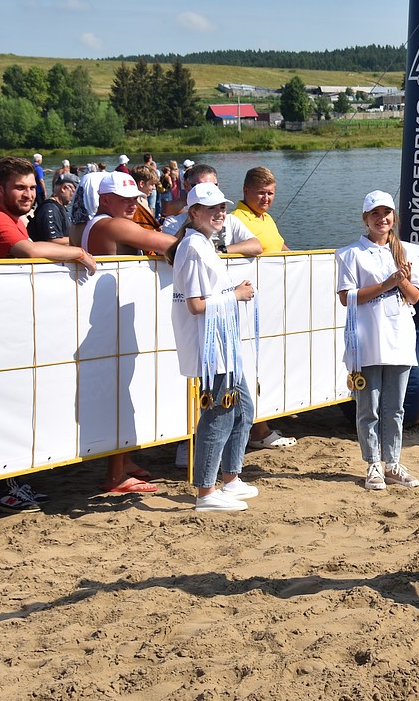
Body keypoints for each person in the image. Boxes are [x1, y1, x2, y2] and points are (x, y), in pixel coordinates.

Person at [0, 156, 97, 513]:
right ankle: (2, 489)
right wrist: (76, 251)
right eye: (19, 187)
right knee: (2, 407)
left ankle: (11, 480)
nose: (28, 194)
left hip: (6, 324)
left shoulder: (13, 219)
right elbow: (28, 251)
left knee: (15, 405)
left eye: (31, 187)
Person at [82, 172, 178, 494]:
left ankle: (123, 464)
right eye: (123, 199)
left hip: (108, 317)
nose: (132, 204)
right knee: (121, 396)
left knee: (120, 394)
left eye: (135, 198)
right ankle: (115, 476)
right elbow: (169, 244)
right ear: (105, 199)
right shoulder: (114, 224)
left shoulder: (90, 225)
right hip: (114, 321)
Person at [167, 182, 259, 511]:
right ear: (194, 213)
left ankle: (230, 479)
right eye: (212, 209)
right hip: (211, 345)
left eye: (222, 207)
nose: (220, 213)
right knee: (218, 414)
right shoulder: (192, 246)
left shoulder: (201, 243)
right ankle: (206, 490)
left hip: (221, 340)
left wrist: (232, 290)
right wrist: (235, 295)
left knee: (244, 407)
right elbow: (195, 304)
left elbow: (206, 295)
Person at [334, 190, 419, 492]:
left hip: (398, 336)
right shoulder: (350, 254)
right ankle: (372, 462)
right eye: (375, 214)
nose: (381, 219)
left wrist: (403, 281)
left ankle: (393, 462)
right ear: (366, 218)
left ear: (394, 217)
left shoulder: (408, 251)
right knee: (367, 406)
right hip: (367, 339)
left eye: (386, 213)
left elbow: (415, 297)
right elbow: (347, 297)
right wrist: (387, 283)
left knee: (394, 407)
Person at [231, 167, 297, 449]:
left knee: (267, 361)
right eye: (261, 192)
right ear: (245, 191)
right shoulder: (235, 218)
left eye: (270, 193)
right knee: (251, 364)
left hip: (271, 303)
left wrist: (302, 265)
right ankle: (257, 429)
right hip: (248, 303)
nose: (266, 198)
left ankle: (262, 423)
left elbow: (281, 247)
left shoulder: (266, 218)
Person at [27, 172, 78, 244]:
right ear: (64, 188)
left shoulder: (59, 207)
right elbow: (53, 240)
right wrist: (81, 239)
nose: (76, 196)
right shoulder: (50, 208)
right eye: (75, 191)